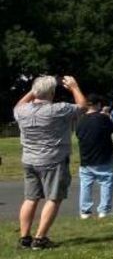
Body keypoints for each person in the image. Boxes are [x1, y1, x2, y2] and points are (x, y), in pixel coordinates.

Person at [15, 75, 87, 249]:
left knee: (30, 198)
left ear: (35, 92)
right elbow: (83, 107)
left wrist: (34, 91)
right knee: (54, 198)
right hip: (52, 159)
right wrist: (74, 87)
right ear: (52, 93)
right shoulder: (57, 109)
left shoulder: (21, 111)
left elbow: (18, 105)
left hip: (29, 159)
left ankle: (25, 237)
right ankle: (40, 239)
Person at [77, 94, 113, 219]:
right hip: (103, 156)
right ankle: (104, 210)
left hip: (86, 157)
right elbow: (112, 129)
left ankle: (85, 211)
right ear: (98, 104)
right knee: (106, 182)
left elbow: (79, 135)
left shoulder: (81, 120)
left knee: (86, 184)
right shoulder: (103, 118)